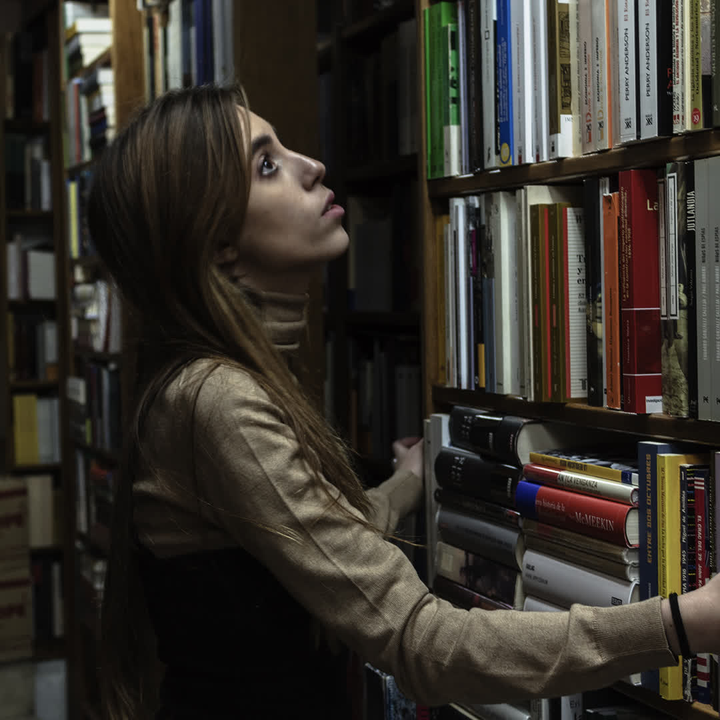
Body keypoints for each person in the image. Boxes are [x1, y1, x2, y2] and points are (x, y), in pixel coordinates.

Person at [87, 84, 720, 720]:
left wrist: (406, 485)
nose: (313, 166)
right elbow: (422, 644)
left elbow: (310, 548)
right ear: (215, 238)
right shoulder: (214, 400)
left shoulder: (200, 383)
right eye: (267, 164)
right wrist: (679, 623)